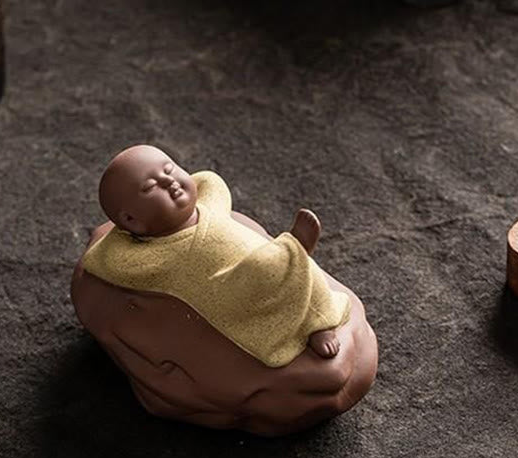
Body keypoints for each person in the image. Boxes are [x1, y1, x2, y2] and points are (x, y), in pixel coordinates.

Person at [82, 146, 350, 367]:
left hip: (261, 255)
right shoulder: (158, 256)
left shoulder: (209, 205)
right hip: (231, 290)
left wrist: (190, 185)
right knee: (264, 267)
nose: (169, 181)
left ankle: (319, 323)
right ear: (132, 220)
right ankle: (291, 250)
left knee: (303, 269)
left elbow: (210, 180)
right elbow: (103, 260)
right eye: (151, 187)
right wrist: (125, 232)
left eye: (169, 168)